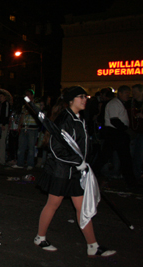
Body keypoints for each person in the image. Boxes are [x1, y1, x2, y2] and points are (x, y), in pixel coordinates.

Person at [34, 86, 116, 257]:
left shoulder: (79, 117)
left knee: (82, 208)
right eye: (80, 97)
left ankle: (92, 245)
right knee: (53, 204)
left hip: (75, 172)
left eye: (85, 96)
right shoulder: (65, 119)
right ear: (71, 100)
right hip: (61, 172)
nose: (84, 99)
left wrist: (83, 163)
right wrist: (76, 162)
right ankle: (40, 237)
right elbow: (56, 149)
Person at [93, 85, 136, 188]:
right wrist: (126, 130)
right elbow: (114, 120)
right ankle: (130, 181)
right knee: (121, 157)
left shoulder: (118, 103)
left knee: (111, 156)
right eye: (126, 93)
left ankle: (130, 181)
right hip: (115, 133)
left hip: (116, 133)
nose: (128, 95)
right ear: (120, 93)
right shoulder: (114, 104)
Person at [12, 89, 40, 170]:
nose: (26, 97)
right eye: (25, 95)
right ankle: (20, 163)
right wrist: (19, 126)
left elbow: (36, 113)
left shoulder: (36, 105)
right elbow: (22, 116)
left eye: (28, 95)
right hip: (24, 127)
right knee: (21, 147)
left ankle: (30, 164)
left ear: (32, 96)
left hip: (32, 128)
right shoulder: (24, 106)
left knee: (31, 147)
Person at [126, 84, 143, 185]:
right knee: (132, 154)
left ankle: (137, 175)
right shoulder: (131, 103)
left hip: (141, 133)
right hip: (133, 132)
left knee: (139, 155)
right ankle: (134, 175)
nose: (133, 94)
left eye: (135, 92)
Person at [0, 91, 11, 165]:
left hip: (3, 124)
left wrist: (4, 124)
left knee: (2, 142)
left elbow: (6, 115)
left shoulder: (6, 104)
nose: (0, 98)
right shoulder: (0, 105)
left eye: (1, 96)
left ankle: (2, 160)